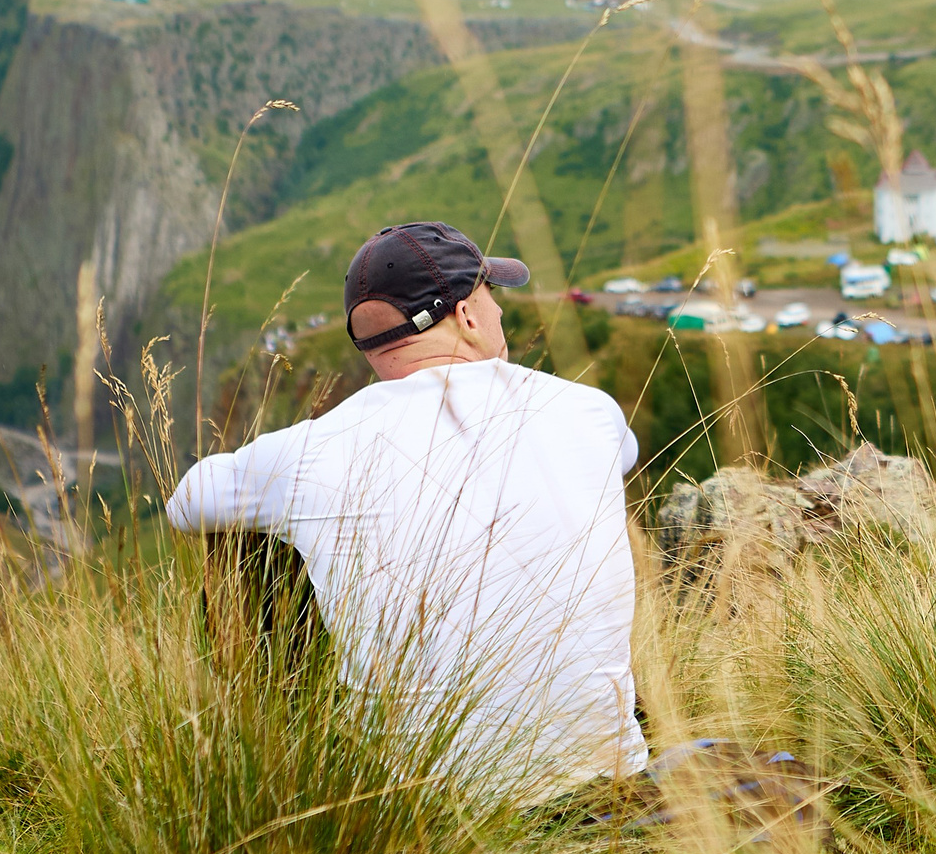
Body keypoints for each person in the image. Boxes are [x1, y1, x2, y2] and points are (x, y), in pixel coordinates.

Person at [165, 220, 648, 797]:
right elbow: (623, 456)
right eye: (491, 295)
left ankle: (275, 751)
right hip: (606, 777)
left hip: (417, 807)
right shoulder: (587, 409)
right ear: (467, 316)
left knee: (244, 535)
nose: (499, 311)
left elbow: (186, 504)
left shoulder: (309, 452)